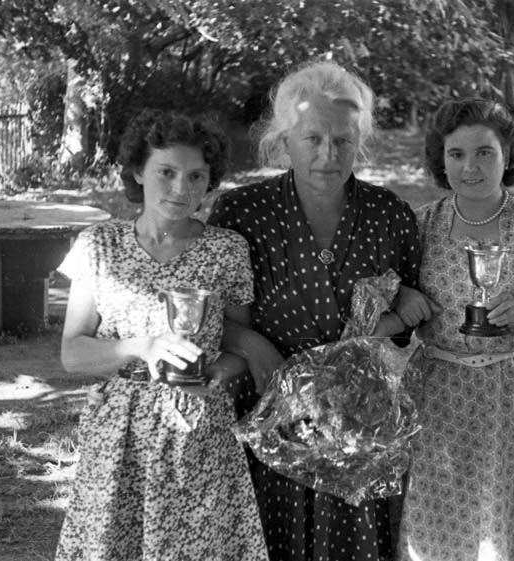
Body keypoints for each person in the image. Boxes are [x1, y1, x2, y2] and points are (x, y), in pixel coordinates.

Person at [206, 61, 421, 561]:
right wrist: (249, 342)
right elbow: (205, 313)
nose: (329, 154)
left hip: (357, 431)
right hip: (268, 421)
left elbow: (409, 321)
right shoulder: (242, 213)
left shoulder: (389, 215)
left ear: (360, 141)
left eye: (344, 140)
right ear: (284, 140)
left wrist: (405, 312)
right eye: (313, 139)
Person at [54, 109, 268, 561]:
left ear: (210, 182)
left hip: (197, 430)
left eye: (196, 176)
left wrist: (218, 373)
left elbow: (239, 343)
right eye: (166, 172)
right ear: (138, 171)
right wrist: (142, 347)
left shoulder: (227, 250)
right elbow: (72, 353)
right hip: (119, 435)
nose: (181, 188)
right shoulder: (99, 245)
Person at [393, 98, 514, 561]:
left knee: (499, 523)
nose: (469, 167)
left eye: (484, 153)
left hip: (504, 401)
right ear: (441, 160)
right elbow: (391, 318)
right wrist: (402, 297)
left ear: (508, 156)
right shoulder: (419, 226)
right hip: (433, 392)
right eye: (456, 154)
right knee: (428, 522)